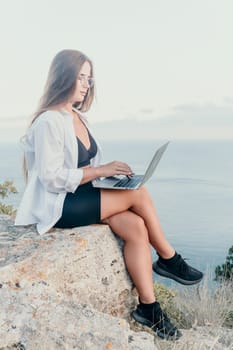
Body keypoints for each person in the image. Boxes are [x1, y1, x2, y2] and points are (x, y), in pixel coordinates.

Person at [15, 49, 203, 340]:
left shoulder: (77, 117)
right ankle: (169, 257)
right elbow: (52, 178)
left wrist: (108, 175)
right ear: (62, 76)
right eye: (80, 77)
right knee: (139, 194)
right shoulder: (48, 121)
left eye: (89, 79)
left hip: (83, 195)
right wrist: (100, 169)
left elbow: (85, 167)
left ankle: (148, 308)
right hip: (61, 205)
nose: (85, 85)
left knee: (137, 228)